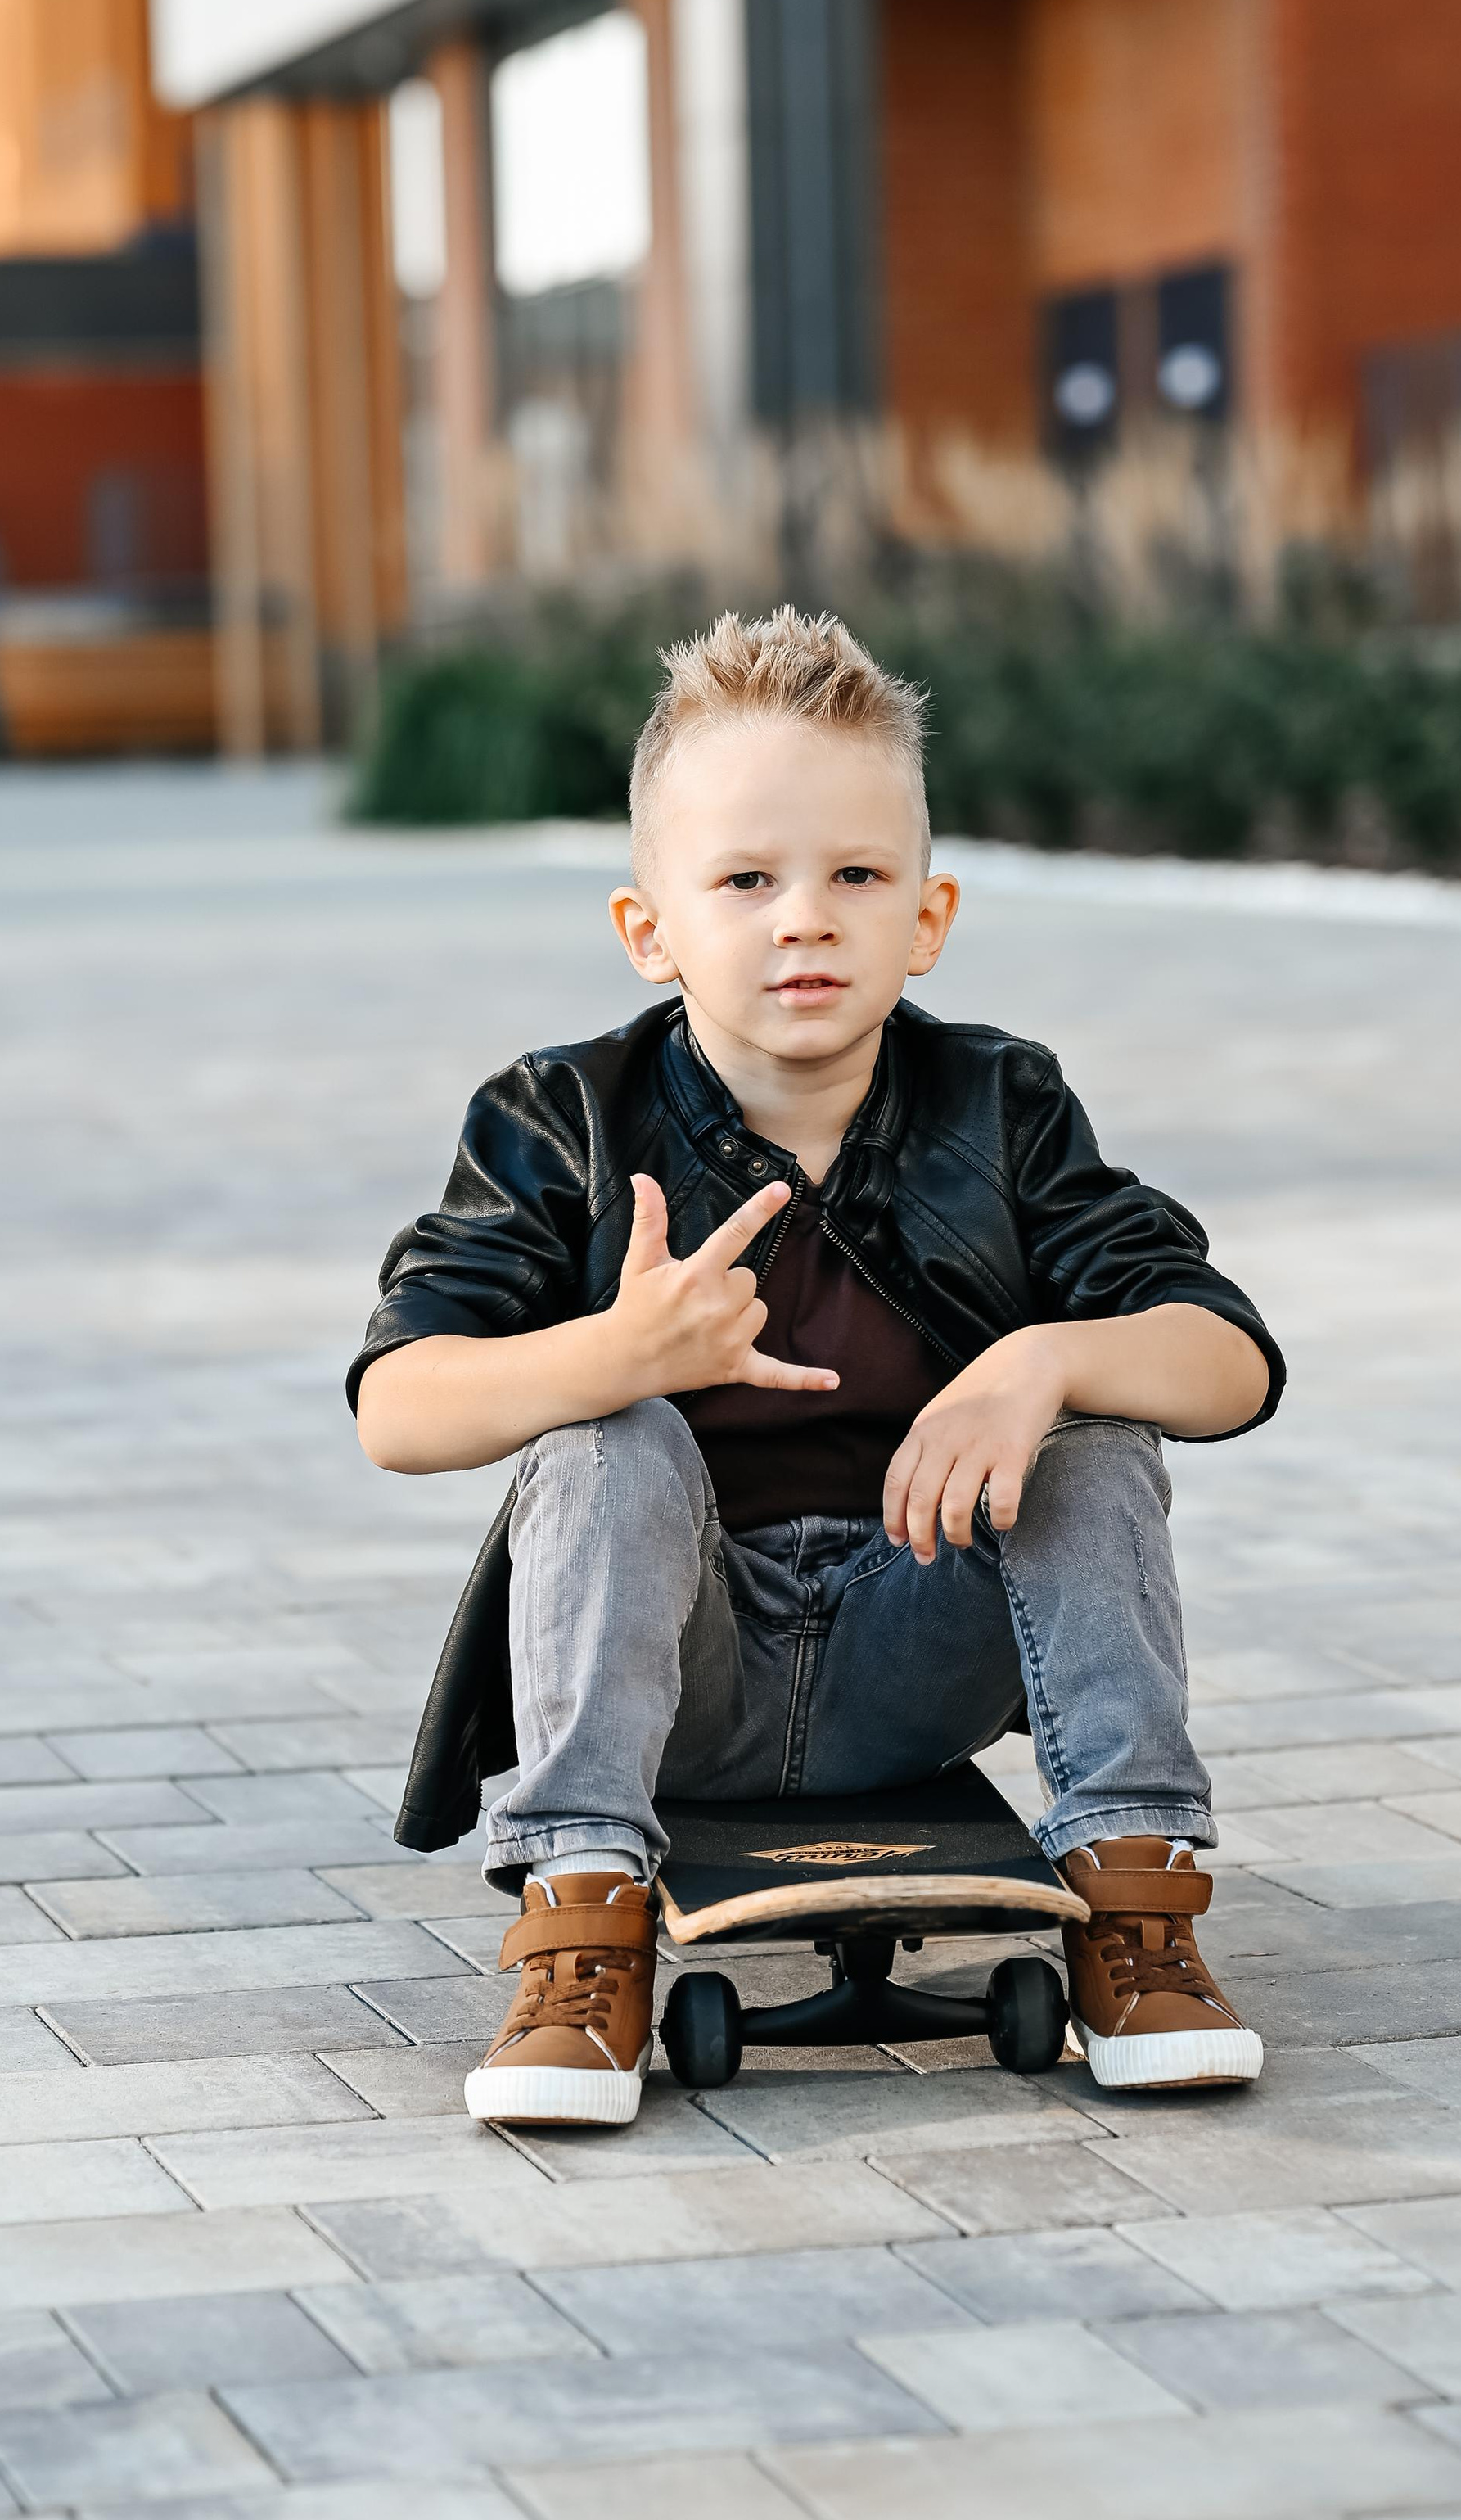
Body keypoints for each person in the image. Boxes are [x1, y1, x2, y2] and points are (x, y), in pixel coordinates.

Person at [350, 607, 1285, 2131]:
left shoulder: (998, 1104)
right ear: (649, 928)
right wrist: (610, 1351)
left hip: (921, 1649)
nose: (807, 919)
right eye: (745, 880)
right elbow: (397, 1408)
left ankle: (1139, 1907)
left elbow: (1227, 1361)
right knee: (609, 1435)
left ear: (928, 916)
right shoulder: (559, 1118)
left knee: (1097, 1431)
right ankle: (582, 1929)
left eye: (857, 875)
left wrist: (1041, 1359)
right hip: (683, 1673)